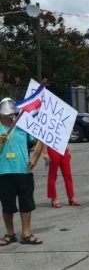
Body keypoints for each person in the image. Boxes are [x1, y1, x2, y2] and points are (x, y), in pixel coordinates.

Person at [0, 98, 44, 246]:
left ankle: (26, 233)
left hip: (23, 170)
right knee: (7, 205)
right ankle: (10, 233)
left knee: (26, 203)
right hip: (4, 172)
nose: (11, 116)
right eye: (7, 114)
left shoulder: (22, 127)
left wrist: (35, 157)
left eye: (13, 113)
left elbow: (38, 140)